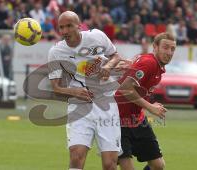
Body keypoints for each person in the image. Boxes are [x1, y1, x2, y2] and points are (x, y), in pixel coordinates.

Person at [48, 11, 122, 170]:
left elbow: (115, 56)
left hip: (106, 104)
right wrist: (74, 92)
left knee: (110, 164)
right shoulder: (56, 52)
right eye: (61, 27)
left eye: (69, 26)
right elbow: (55, 87)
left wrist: (108, 66)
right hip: (79, 106)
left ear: (79, 26)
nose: (65, 31)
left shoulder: (97, 37)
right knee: (76, 156)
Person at [115, 32, 176, 170]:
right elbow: (125, 88)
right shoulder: (149, 63)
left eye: (172, 49)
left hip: (137, 120)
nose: (169, 52)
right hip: (117, 121)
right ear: (155, 47)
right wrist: (150, 107)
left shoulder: (157, 66)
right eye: (166, 47)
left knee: (158, 166)